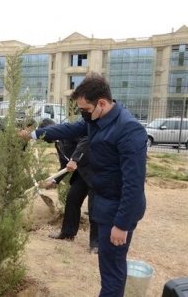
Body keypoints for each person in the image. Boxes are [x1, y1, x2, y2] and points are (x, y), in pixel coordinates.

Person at [20, 74, 147, 297]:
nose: (83, 115)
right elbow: (68, 129)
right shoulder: (96, 121)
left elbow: (134, 184)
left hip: (117, 209)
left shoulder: (129, 130)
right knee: (108, 267)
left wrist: (122, 224)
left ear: (102, 103)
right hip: (103, 203)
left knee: (112, 270)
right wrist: (34, 134)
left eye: (85, 109)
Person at [39, 118, 98, 253]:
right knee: (72, 199)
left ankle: (96, 243)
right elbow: (63, 165)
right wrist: (54, 181)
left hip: (94, 172)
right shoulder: (58, 143)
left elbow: (86, 139)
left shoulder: (70, 133)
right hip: (82, 175)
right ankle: (67, 233)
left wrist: (75, 158)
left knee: (94, 207)